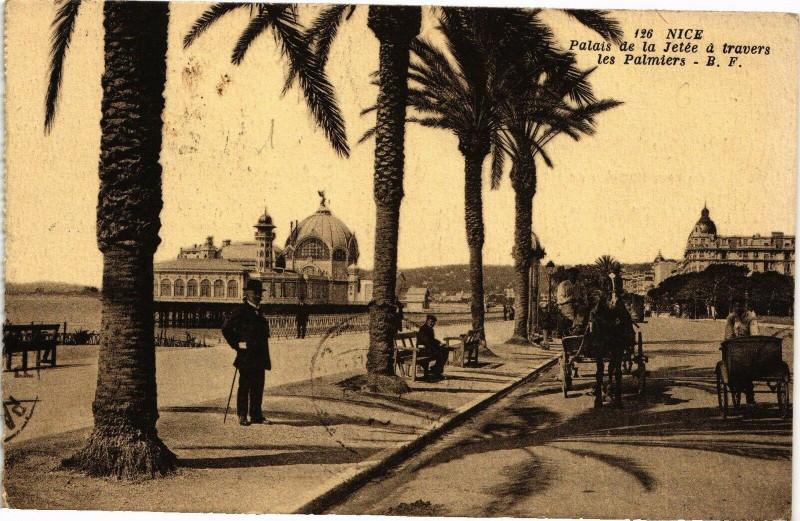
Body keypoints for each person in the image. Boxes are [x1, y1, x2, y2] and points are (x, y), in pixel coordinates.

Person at [222, 279, 271, 426]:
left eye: (259, 293)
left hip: (260, 355)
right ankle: (242, 415)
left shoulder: (259, 312)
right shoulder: (240, 311)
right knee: (245, 386)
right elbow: (226, 328)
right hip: (247, 356)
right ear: (247, 294)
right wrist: (237, 344)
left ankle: (256, 415)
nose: (257, 296)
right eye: (254, 293)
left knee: (258, 386)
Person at [724, 296, 760, 404]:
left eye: (740, 305)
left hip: (748, 346)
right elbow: (729, 333)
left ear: (744, 306)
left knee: (748, 364)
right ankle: (736, 385)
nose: (737, 307)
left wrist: (751, 341)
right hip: (735, 346)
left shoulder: (750, 317)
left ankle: (749, 391)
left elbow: (754, 333)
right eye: (735, 306)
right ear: (733, 307)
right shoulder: (731, 317)